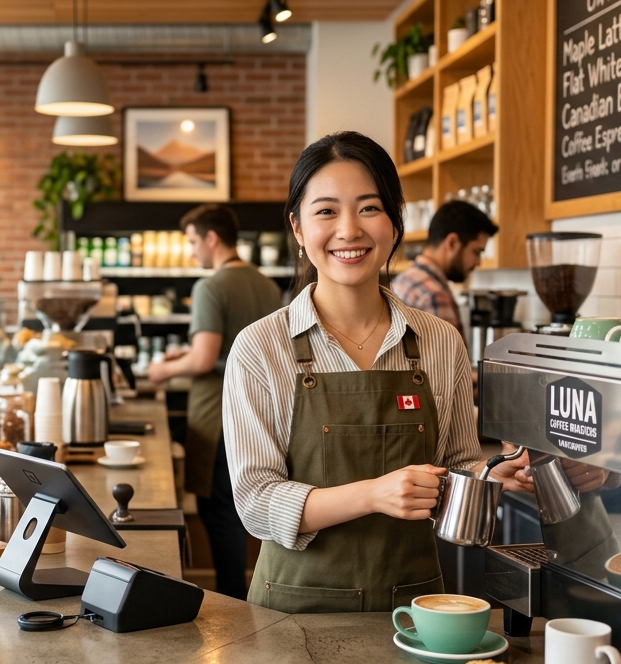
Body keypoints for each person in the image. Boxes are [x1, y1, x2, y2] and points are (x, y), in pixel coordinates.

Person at [222, 132, 530, 615]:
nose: (349, 230)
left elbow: (454, 465)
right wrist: (372, 494)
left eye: (369, 208)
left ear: (395, 222)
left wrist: (488, 474)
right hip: (290, 615)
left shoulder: (439, 341)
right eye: (326, 211)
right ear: (298, 228)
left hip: (414, 611)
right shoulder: (260, 347)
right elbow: (256, 502)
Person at [146, 204, 282, 599]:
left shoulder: (210, 287)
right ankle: (253, 589)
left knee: (219, 510)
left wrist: (162, 370)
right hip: (260, 414)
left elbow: (204, 359)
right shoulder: (266, 285)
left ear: (211, 238)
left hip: (218, 416)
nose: (191, 252)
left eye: (192, 242)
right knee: (248, 504)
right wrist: (184, 355)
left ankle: (231, 599)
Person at [390, 200, 498, 338]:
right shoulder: (434, 296)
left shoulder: (401, 281)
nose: (478, 262)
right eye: (476, 252)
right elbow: (449, 352)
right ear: (452, 243)